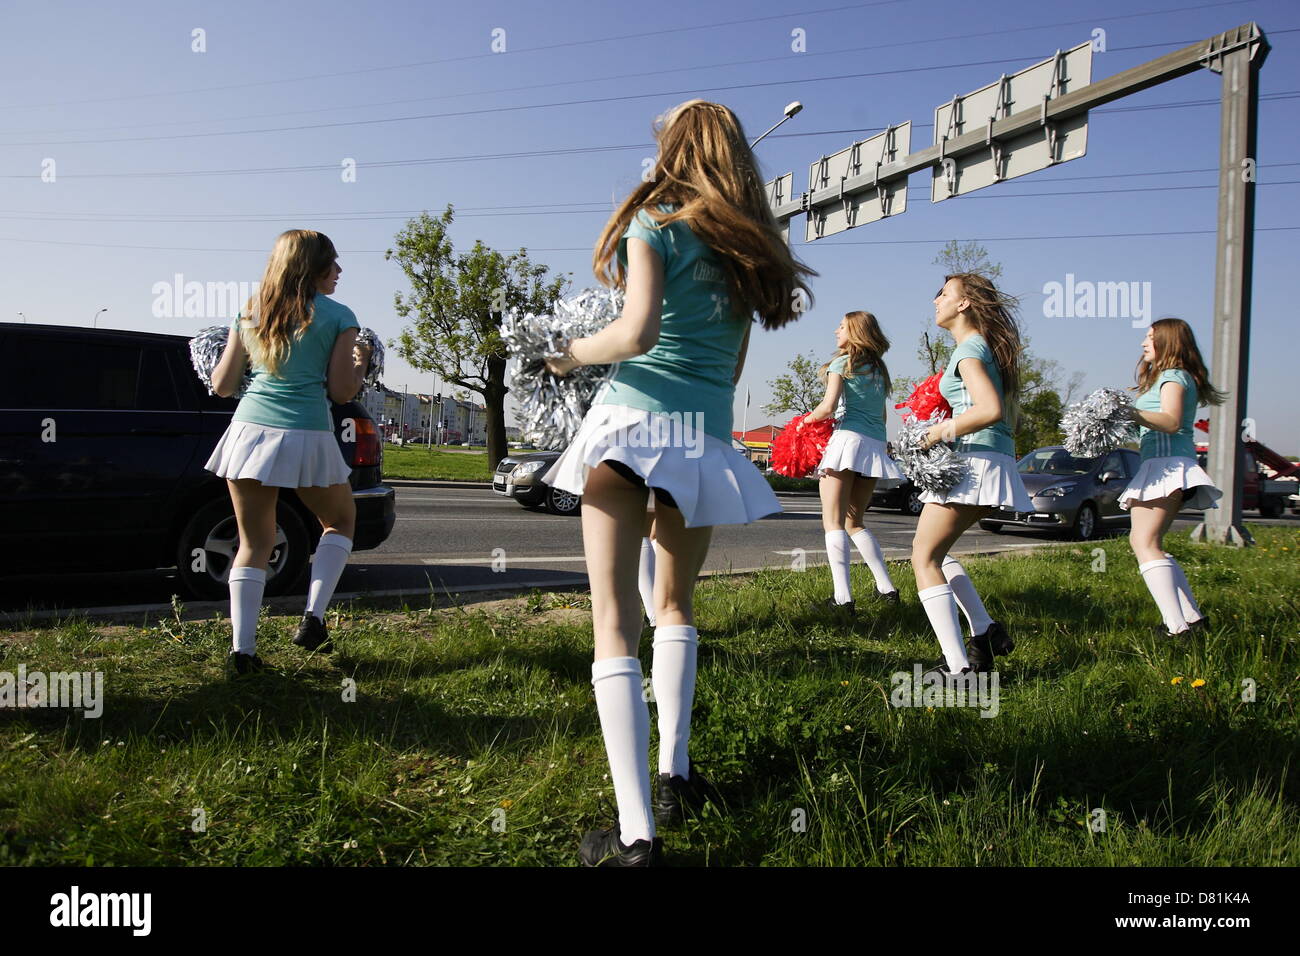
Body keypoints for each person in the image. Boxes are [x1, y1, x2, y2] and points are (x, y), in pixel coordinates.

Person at [543, 99, 816, 866]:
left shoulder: (655, 221)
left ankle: (635, 839)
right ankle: (676, 773)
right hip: (701, 436)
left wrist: (569, 354)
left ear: (675, 147)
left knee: (613, 619)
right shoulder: (749, 247)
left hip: (630, 426)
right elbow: (730, 367)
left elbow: (636, 333)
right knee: (674, 604)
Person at [205, 229, 371, 677]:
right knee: (340, 521)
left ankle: (243, 653)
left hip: (248, 432)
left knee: (254, 543)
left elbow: (221, 386)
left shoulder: (251, 309)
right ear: (315, 267)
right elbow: (340, 392)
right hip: (305, 432)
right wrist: (361, 363)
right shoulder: (340, 317)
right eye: (333, 263)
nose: (339, 271)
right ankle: (313, 621)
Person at [912, 274, 1031, 676]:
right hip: (988, 460)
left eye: (944, 293)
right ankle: (985, 632)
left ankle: (959, 670)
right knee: (939, 556)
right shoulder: (979, 346)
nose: (936, 300)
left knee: (923, 558)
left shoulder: (970, 348)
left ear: (964, 304)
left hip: (976, 462)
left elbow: (989, 409)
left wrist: (937, 432)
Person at [1119, 318, 1225, 635]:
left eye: (1150, 337)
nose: (1143, 343)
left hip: (1167, 465)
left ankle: (1177, 627)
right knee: (1150, 543)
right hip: (1158, 463)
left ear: (1168, 341)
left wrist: (1128, 412)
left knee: (1143, 541)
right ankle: (1192, 620)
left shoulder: (1174, 376)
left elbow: (1171, 421)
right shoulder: (1166, 377)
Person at [799, 310, 903, 611]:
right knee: (854, 521)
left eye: (842, 327)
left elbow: (828, 406)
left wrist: (803, 423)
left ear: (855, 332)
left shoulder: (841, 364)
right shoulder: (880, 371)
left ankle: (842, 598)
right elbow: (883, 416)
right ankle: (886, 589)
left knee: (832, 521)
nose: (836, 331)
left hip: (847, 441)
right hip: (873, 446)